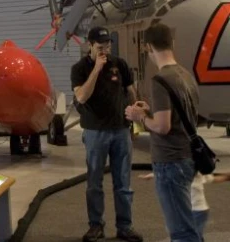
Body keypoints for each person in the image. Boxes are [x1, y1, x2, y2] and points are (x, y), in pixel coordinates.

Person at [126, 23, 201, 242]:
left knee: (181, 231)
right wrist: (151, 111)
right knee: (186, 222)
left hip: (170, 162)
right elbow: (184, 115)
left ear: (147, 47)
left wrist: (139, 116)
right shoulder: (185, 75)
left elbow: (163, 126)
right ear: (172, 43)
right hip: (186, 158)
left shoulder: (160, 80)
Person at [71, 26, 143, 242]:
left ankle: (125, 226)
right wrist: (96, 70)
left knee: (123, 182)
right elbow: (82, 97)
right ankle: (96, 225)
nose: (105, 51)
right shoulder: (80, 69)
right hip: (95, 133)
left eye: (108, 46)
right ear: (90, 45)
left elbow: (130, 91)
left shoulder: (119, 65)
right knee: (94, 182)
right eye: (100, 47)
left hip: (121, 131)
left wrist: (136, 116)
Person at [139, 171, 230, 241]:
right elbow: (168, 171)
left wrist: (226, 177)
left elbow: (212, 179)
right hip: (191, 209)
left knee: (188, 236)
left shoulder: (192, 169)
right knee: (188, 235)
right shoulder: (186, 168)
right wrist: (153, 175)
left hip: (197, 211)